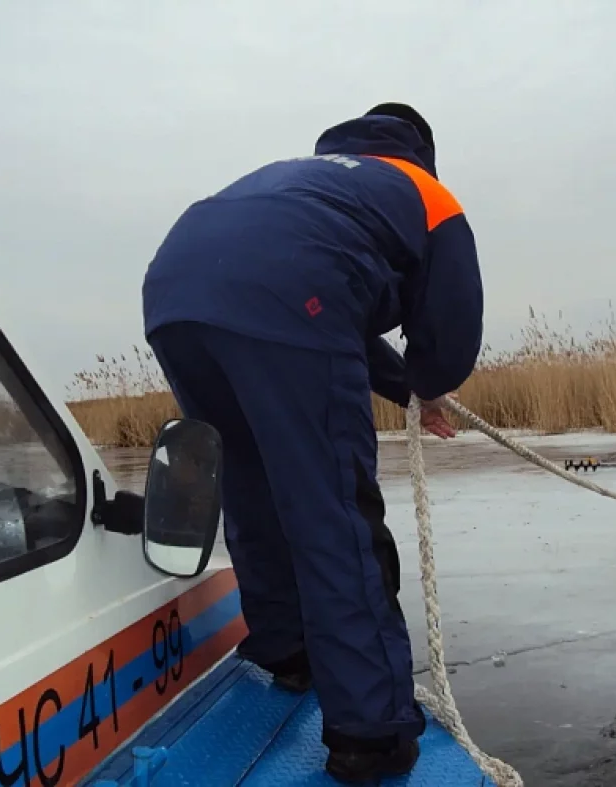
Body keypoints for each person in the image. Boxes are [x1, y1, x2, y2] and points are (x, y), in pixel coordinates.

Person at [141, 103, 483, 783]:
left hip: (175, 289)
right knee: (333, 513)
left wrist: (404, 387)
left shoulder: (306, 179)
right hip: (285, 296)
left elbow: (319, 314)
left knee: (252, 486)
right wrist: (429, 381)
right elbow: (447, 338)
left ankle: (287, 650)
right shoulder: (428, 194)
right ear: (421, 154)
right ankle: (369, 731)